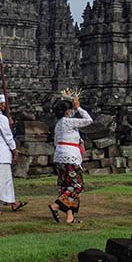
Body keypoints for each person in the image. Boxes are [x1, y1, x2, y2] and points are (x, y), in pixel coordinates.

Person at [48, 94, 93, 224]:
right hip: (70, 158)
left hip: (60, 157)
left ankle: (70, 217)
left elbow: (56, 142)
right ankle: (56, 205)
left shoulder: (58, 125)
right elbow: (88, 120)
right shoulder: (68, 121)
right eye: (71, 110)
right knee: (77, 186)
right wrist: (79, 108)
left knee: (66, 187)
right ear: (68, 111)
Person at [0, 94, 27, 215]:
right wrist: (14, 150)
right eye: (3, 103)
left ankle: (13, 202)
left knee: (6, 180)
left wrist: (9, 124)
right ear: (0, 105)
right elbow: (7, 136)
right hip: (1, 152)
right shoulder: (1, 119)